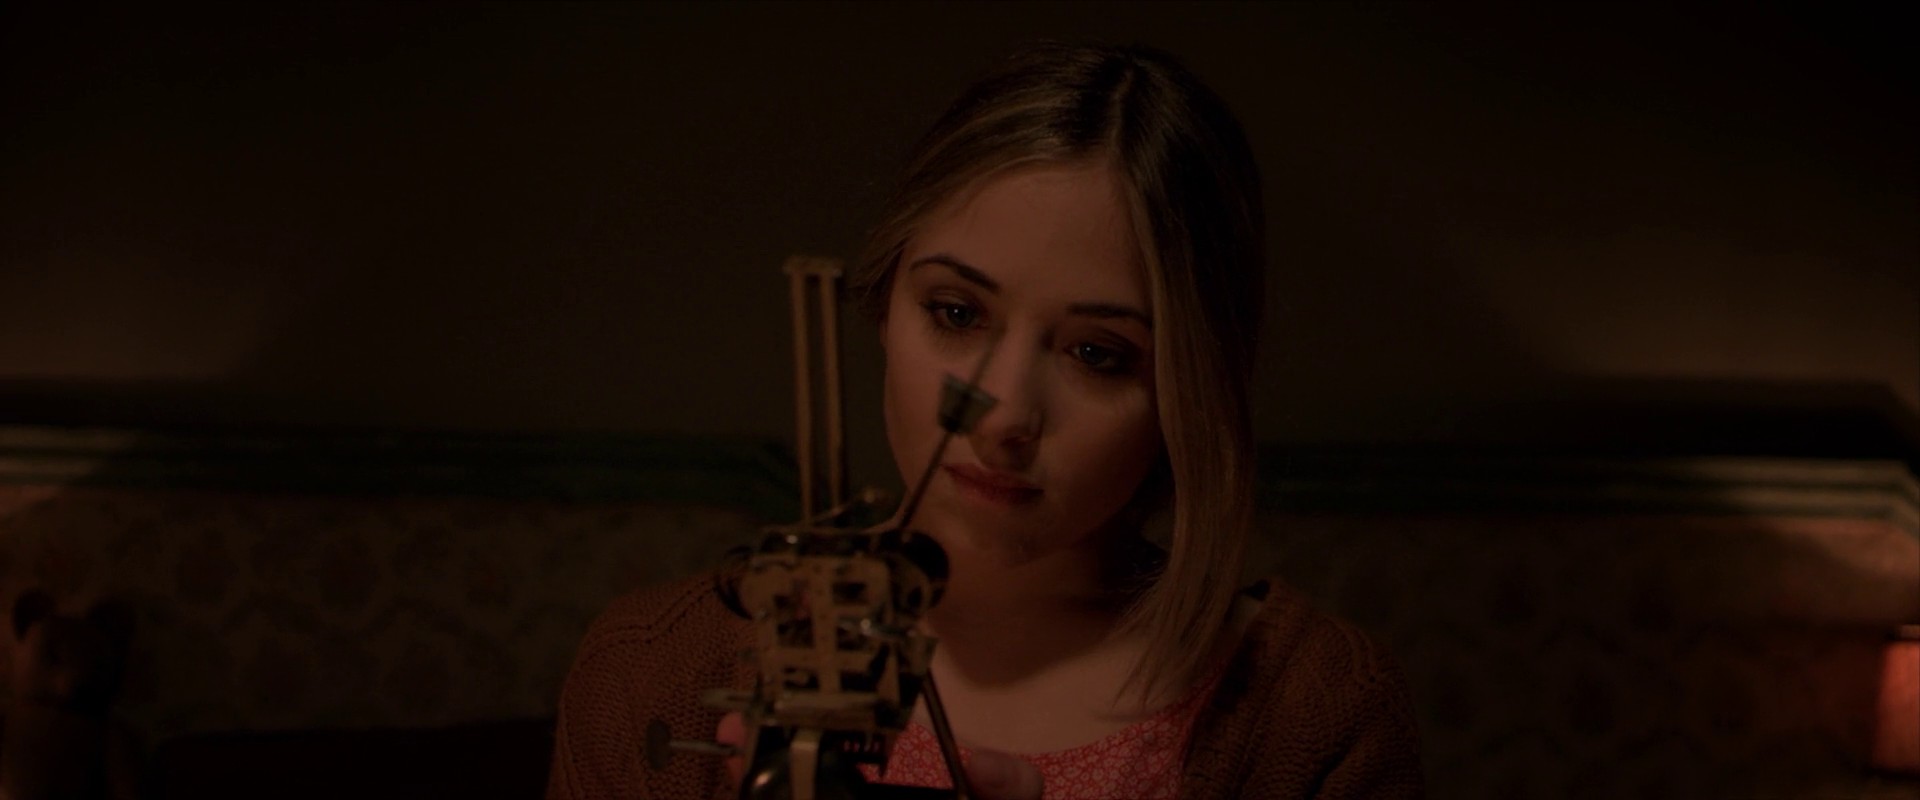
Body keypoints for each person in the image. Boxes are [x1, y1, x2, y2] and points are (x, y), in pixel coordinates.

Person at [547, 41, 1423, 800]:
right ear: (884, 303)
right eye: (958, 313)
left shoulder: (1314, 712)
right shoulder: (652, 673)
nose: (1004, 414)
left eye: (1098, 354)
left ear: (1188, 392)